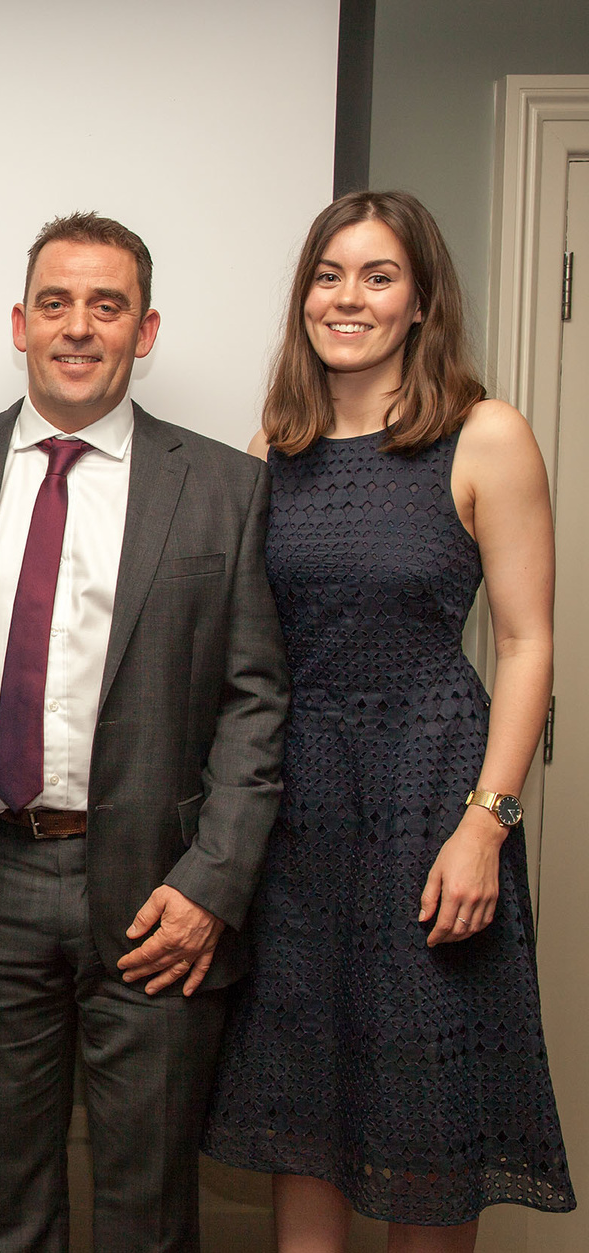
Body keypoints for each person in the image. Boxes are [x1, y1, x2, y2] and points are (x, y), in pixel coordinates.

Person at [0, 212, 289, 1252]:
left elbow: (257, 701)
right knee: (7, 1202)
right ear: (19, 323)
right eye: (56, 303)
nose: (79, 327)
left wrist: (213, 881)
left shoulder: (227, 488)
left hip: (160, 893)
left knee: (149, 1209)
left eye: (106, 305)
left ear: (143, 331)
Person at [203, 190, 575, 1248]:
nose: (348, 297)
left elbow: (526, 643)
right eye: (329, 275)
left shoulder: (485, 432)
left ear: (420, 302)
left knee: (426, 1137)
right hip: (300, 806)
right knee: (303, 1117)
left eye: (378, 276)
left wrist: (486, 823)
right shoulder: (275, 441)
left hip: (433, 797)